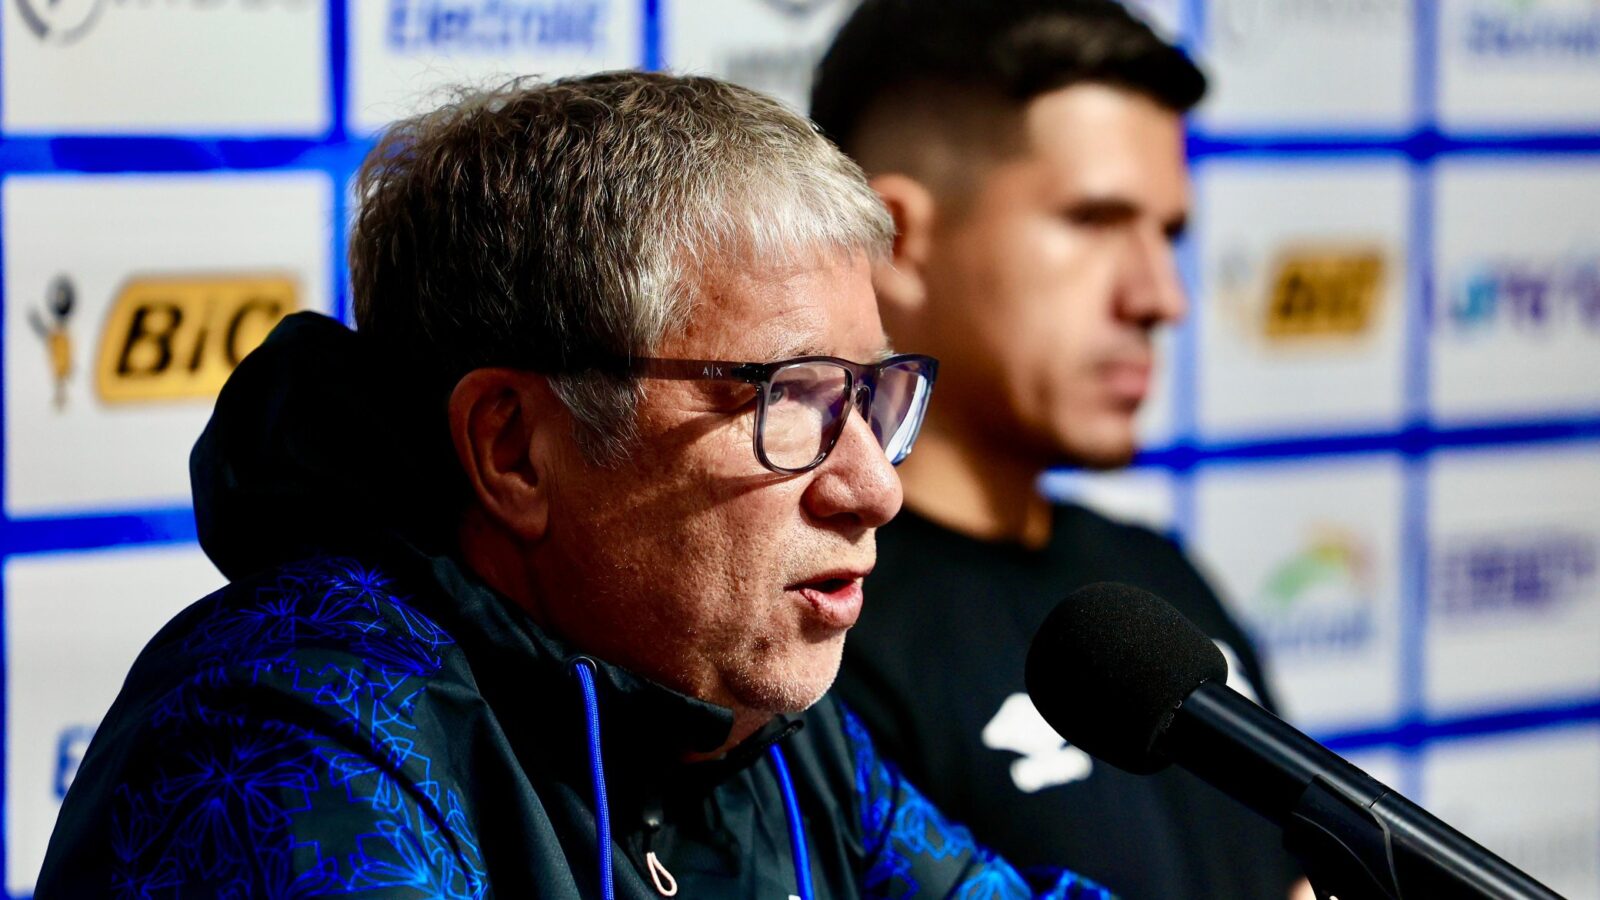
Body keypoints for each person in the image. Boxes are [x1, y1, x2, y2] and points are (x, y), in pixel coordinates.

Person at [35, 72, 1110, 898]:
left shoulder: (747, 723)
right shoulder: (289, 731)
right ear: (513, 451)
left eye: (872, 395)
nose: (873, 487)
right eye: (792, 398)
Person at [811, 3, 1305, 898]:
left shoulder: (1160, 585)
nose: (1160, 296)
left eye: (1169, 234)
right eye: (1093, 220)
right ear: (898, 240)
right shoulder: (816, 633)